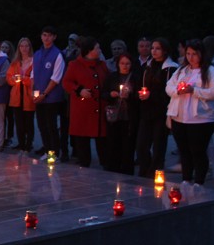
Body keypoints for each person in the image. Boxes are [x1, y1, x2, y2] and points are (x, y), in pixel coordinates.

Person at [165, 39, 214, 185]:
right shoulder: (181, 70)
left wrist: (194, 91)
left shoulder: (210, 71)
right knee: (184, 150)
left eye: (194, 54)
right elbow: (168, 87)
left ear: (201, 54)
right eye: (188, 54)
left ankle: (199, 181)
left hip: (201, 118)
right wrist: (178, 91)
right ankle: (186, 179)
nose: (191, 57)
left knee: (197, 151)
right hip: (180, 117)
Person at [62, 36, 109, 168]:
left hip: (99, 110)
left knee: (103, 141)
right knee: (83, 142)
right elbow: (66, 82)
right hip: (83, 110)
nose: (100, 50)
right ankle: (84, 165)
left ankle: (106, 166)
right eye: (97, 48)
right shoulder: (75, 65)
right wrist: (79, 90)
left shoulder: (102, 65)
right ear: (89, 50)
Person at [136, 37, 178, 179]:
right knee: (142, 144)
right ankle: (144, 170)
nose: (153, 51)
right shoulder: (147, 66)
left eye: (157, 48)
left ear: (165, 50)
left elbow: (168, 91)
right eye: (152, 48)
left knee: (159, 144)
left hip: (161, 111)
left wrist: (151, 95)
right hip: (146, 110)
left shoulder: (171, 68)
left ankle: (155, 172)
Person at [31, 26, 66, 158]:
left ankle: (54, 153)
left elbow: (56, 78)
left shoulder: (57, 54)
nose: (46, 38)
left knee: (51, 125)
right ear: (41, 36)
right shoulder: (38, 54)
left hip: (51, 97)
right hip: (38, 95)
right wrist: (32, 91)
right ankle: (47, 150)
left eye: (49, 35)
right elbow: (33, 74)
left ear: (54, 37)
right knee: (41, 125)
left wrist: (44, 94)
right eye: (44, 35)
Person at [103, 53, 138, 174]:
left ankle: (127, 169)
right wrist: (111, 94)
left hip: (129, 116)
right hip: (115, 116)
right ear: (118, 64)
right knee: (113, 143)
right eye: (122, 63)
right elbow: (104, 93)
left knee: (128, 145)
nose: (125, 66)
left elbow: (139, 96)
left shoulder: (135, 78)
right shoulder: (112, 77)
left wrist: (130, 95)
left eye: (127, 63)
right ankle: (113, 168)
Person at [7, 37, 35, 152]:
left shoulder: (34, 61)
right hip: (17, 96)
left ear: (30, 47)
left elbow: (35, 79)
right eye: (22, 46)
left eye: (26, 46)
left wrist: (25, 79)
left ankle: (28, 145)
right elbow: (8, 78)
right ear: (19, 48)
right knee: (19, 122)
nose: (24, 48)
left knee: (29, 122)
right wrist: (13, 79)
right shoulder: (15, 63)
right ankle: (21, 144)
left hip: (28, 95)